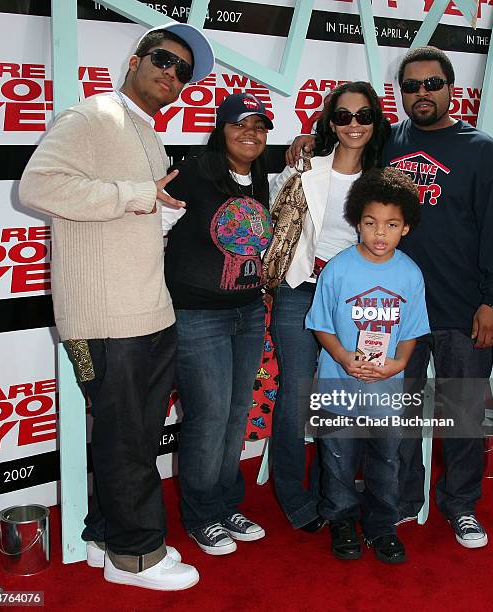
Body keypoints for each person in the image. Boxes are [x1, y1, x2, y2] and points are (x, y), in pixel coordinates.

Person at [286, 47, 493, 549]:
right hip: (391, 316)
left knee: (460, 413)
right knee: (396, 419)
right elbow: (346, 144)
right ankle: (399, 503)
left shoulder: (480, 150)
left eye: (432, 84)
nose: (422, 93)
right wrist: (313, 138)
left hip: (464, 311)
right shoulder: (388, 142)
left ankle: (460, 506)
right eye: (411, 86)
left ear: (451, 88)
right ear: (401, 93)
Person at [18, 23, 214, 590]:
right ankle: (136, 559)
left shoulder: (144, 131)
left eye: (182, 70)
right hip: (106, 317)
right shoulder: (93, 116)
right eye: (162, 58)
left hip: (149, 310)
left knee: (129, 436)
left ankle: (108, 538)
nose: (171, 72)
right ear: (134, 60)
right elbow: (37, 187)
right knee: (127, 440)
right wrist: (134, 197)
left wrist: (157, 215)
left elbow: (131, 212)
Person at [269, 82, 390, 532]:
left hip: (353, 299)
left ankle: (330, 492)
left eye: (363, 116)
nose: (353, 125)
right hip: (299, 289)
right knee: (296, 396)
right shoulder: (304, 168)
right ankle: (292, 496)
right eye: (343, 116)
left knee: (337, 398)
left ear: (375, 121)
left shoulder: (382, 176)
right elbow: (273, 215)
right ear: (329, 121)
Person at [163, 93, 274, 555]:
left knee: (233, 415)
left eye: (259, 126)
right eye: (239, 125)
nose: (250, 133)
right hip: (196, 314)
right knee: (208, 417)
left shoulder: (263, 178)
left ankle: (227, 503)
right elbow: (156, 219)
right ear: (221, 130)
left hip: (248, 313)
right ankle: (201, 514)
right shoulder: (196, 172)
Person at [305, 167, 429, 563]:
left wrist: (399, 364)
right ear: (357, 221)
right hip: (337, 384)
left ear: (405, 228)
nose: (380, 233)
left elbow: (411, 331)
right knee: (337, 458)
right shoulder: (338, 269)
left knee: (385, 459)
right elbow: (321, 325)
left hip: (386, 391)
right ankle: (341, 519)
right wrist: (343, 357)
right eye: (371, 223)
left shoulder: (410, 274)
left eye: (391, 225)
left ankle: (381, 525)